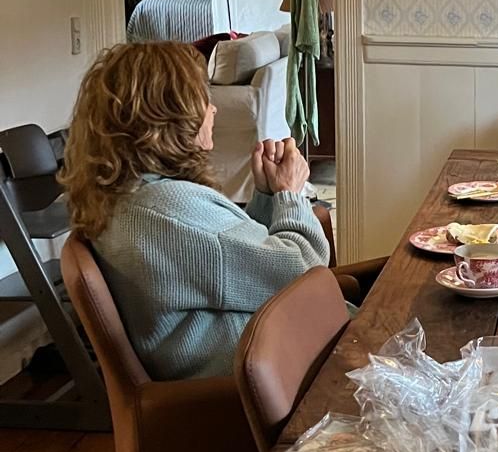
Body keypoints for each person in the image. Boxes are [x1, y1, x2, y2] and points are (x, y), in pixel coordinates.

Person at [60, 41, 330, 380]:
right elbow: (305, 271)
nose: (213, 109)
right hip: (267, 380)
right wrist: (291, 194)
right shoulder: (168, 212)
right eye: (203, 97)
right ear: (170, 115)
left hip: (260, 358)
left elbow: (236, 265)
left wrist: (266, 194)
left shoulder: (128, 198)